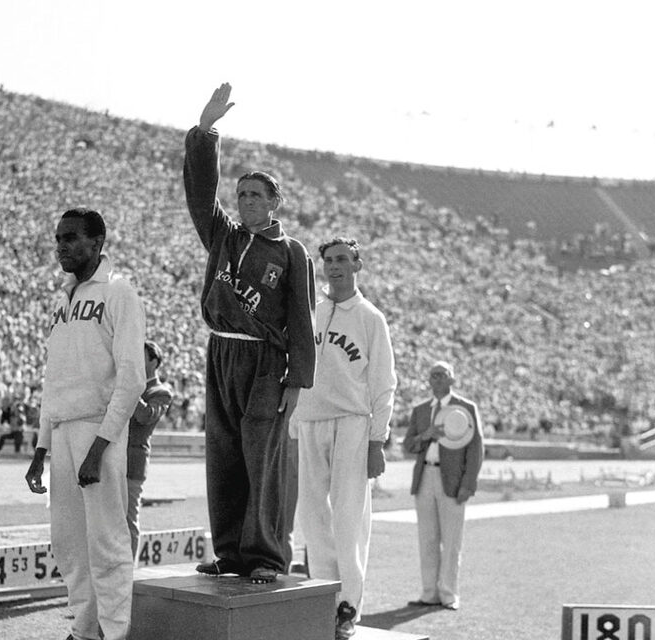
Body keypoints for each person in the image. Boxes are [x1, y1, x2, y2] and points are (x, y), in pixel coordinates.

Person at [184, 83, 316, 584]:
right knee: (222, 454)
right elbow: (200, 194)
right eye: (240, 193)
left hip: (264, 362)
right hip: (220, 353)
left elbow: (302, 321)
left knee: (264, 460)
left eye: (254, 194)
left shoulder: (292, 252)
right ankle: (229, 553)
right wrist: (204, 131)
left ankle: (264, 555)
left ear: (275, 201)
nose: (244, 200)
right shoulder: (223, 235)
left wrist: (295, 380)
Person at [25, 208, 146, 640]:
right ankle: (85, 629)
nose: (61, 246)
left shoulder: (119, 293)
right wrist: (41, 448)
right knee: (69, 544)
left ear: (97, 243)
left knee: (107, 543)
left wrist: (99, 446)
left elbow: (133, 378)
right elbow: (53, 379)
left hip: (100, 431)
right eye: (58, 237)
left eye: (71, 238)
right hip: (61, 434)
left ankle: (115, 634)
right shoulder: (64, 300)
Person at [292, 237, 397, 640]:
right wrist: (294, 423)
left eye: (342, 259)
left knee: (349, 518)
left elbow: (383, 383)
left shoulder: (370, 317)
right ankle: (323, 600)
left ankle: (348, 607)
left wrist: (377, 440)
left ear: (357, 265)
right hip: (312, 421)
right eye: (328, 260)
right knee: (313, 516)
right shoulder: (311, 313)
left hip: (353, 423)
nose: (334, 266)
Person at [401, 361, 484, 611]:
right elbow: (408, 445)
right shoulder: (420, 410)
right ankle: (429, 593)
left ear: (452, 380)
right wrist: (426, 435)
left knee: (451, 540)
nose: (436, 379)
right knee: (427, 538)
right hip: (425, 476)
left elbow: (476, 449)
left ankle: (449, 594)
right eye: (432, 375)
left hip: (452, 481)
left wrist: (468, 485)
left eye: (441, 375)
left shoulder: (466, 409)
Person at [126, 340, 174, 558]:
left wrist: (129, 389)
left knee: (128, 519)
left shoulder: (161, 391)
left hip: (133, 460)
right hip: (113, 458)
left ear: (154, 361)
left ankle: (128, 572)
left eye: (141, 355)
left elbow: (145, 416)